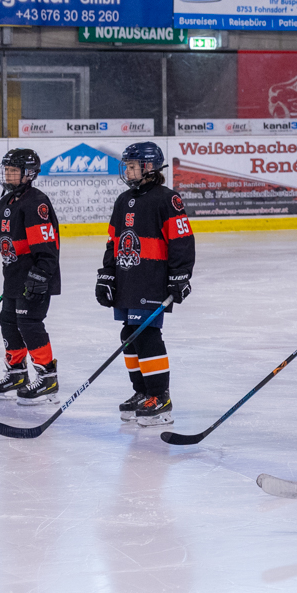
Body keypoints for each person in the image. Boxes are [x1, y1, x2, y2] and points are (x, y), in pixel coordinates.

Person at [96, 142, 194, 426]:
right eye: (126, 166)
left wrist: (180, 275)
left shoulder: (167, 199)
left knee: (146, 334)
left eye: (132, 166)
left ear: (149, 167)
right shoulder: (123, 200)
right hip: (127, 278)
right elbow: (113, 242)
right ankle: (142, 392)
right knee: (129, 333)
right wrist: (107, 275)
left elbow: (181, 240)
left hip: (152, 279)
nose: (127, 171)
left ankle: (160, 397)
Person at [0, 148, 62, 404]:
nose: (8, 175)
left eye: (14, 171)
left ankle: (47, 377)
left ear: (29, 174)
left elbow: (47, 246)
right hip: (14, 277)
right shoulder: (5, 202)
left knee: (29, 323)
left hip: (35, 278)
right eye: (6, 170)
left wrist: (40, 275)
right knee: (8, 321)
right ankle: (17, 373)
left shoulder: (36, 202)